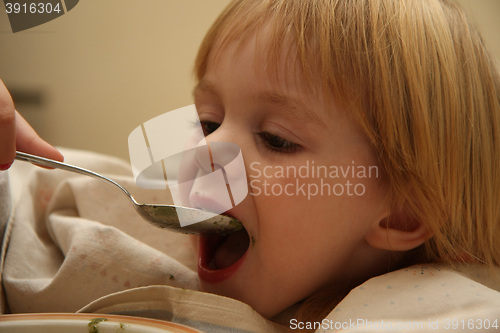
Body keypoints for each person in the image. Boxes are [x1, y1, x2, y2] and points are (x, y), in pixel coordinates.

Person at [1, 0, 500, 331]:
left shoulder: (445, 314)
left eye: (276, 139)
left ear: (402, 216)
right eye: (206, 121)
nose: (201, 152)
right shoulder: (92, 224)